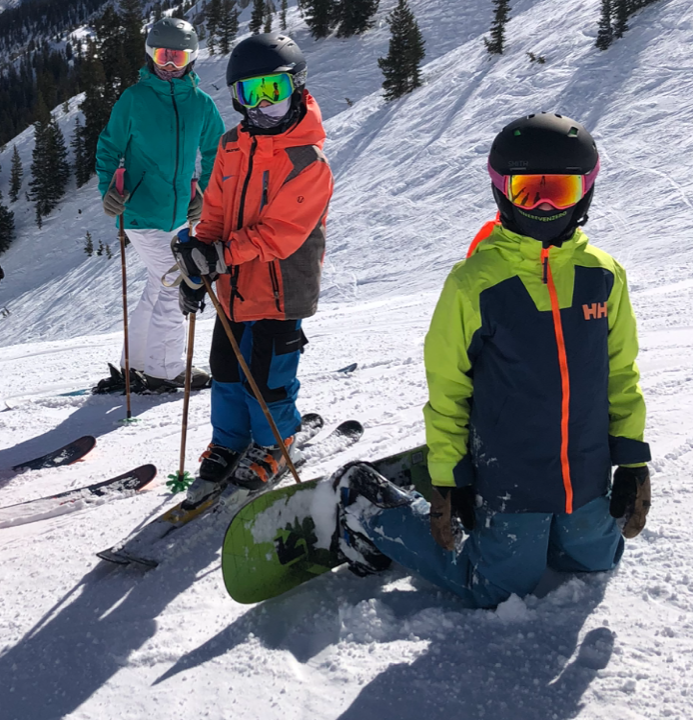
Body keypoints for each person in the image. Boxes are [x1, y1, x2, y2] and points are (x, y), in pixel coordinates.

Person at [333, 112, 651, 608]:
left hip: (586, 475)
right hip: (512, 479)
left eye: (559, 192)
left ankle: (549, 530)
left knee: (596, 562)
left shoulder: (603, 275)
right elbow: (449, 387)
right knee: (497, 591)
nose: (543, 205)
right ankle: (372, 507)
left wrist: (632, 462)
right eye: (529, 191)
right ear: (502, 191)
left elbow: (621, 374)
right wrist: (448, 478)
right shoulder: (474, 283)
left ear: (585, 193)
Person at [173, 33, 334, 503]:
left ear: (297, 89)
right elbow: (217, 212)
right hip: (234, 286)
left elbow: (281, 233)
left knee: (267, 376)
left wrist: (219, 256)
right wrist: (199, 261)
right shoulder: (231, 145)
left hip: (282, 289)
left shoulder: (308, 161)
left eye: (274, 92)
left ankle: (274, 443)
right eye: (250, 94)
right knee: (224, 368)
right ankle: (229, 438)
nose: (262, 106)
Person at [95, 17, 225, 393]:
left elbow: (216, 151)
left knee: (159, 283)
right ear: (150, 55)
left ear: (191, 59)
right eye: (162, 55)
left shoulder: (200, 104)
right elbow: (109, 147)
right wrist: (109, 190)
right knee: (178, 279)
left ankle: (134, 364)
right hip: (140, 212)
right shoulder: (134, 99)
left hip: (181, 214)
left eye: (178, 57)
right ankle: (167, 370)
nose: (169, 65)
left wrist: (205, 195)